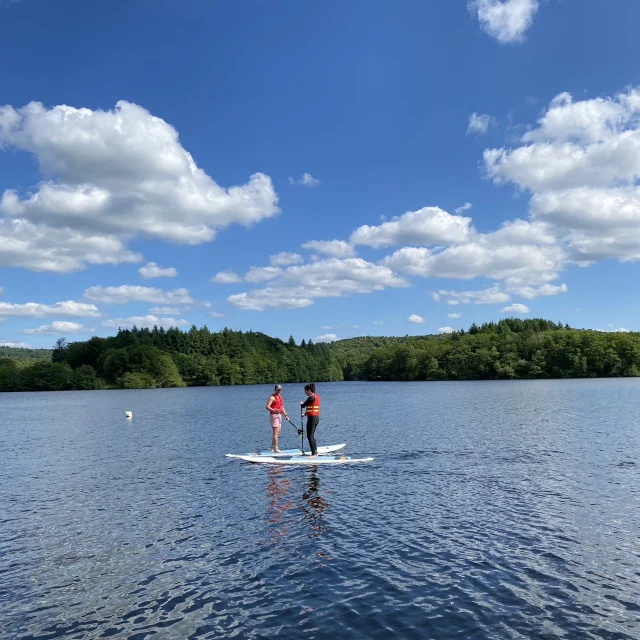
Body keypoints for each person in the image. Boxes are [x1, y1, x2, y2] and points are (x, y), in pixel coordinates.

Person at [266, 384, 288, 453]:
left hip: (279, 415)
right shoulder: (272, 397)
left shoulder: (280, 397)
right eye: (278, 390)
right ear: (275, 389)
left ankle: (273, 447)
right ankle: (275, 448)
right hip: (274, 416)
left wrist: (286, 415)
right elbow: (267, 407)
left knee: (278, 432)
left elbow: (282, 407)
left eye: (280, 390)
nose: (279, 391)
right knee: (276, 432)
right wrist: (274, 410)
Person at [300, 383, 320, 457]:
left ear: (309, 390)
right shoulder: (316, 396)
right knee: (311, 436)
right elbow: (312, 408)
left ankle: (313, 454)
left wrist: (301, 404)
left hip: (312, 419)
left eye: (305, 391)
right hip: (316, 418)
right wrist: (305, 414)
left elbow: (303, 405)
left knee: (309, 436)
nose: (305, 393)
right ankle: (315, 452)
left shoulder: (311, 397)